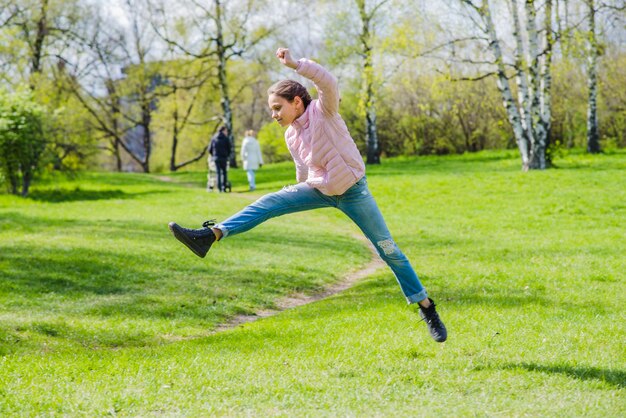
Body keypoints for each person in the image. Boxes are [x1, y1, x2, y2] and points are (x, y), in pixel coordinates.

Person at [168, 48, 447, 342]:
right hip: (319, 190)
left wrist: (296, 65)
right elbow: (303, 171)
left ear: (297, 102)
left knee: (388, 250)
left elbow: (327, 81)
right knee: (270, 201)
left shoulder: (323, 111)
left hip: (353, 192)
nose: (273, 114)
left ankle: (427, 307)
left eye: (277, 108)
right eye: (272, 109)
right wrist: (293, 197)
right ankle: (210, 235)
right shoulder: (290, 135)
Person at [208, 125, 231, 192]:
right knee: (224, 173)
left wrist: (213, 155)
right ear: (223, 130)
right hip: (224, 158)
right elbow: (229, 148)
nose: (226, 132)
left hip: (216, 158)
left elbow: (210, 149)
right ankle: (224, 188)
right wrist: (227, 155)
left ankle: (219, 188)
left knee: (218, 173)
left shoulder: (214, 138)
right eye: (226, 131)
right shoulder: (226, 138)